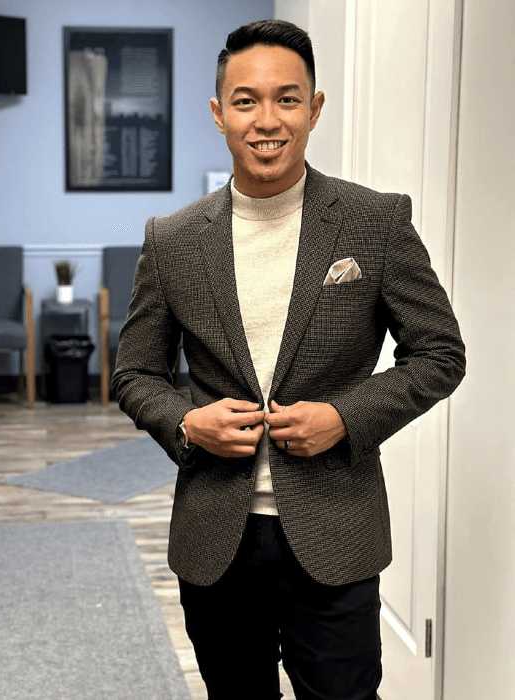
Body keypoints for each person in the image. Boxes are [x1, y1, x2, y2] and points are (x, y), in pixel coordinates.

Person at [113, 18, 465, 700]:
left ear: (314, 108)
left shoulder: (376, 222)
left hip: (337, 532)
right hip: (216, 539)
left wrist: (344, 416)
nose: (267, 120)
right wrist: (187, 424)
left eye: (287, 98)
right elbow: (136, 373)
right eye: (246, 100)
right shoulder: (172, 240)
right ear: (219, 113)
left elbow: (439, 353)